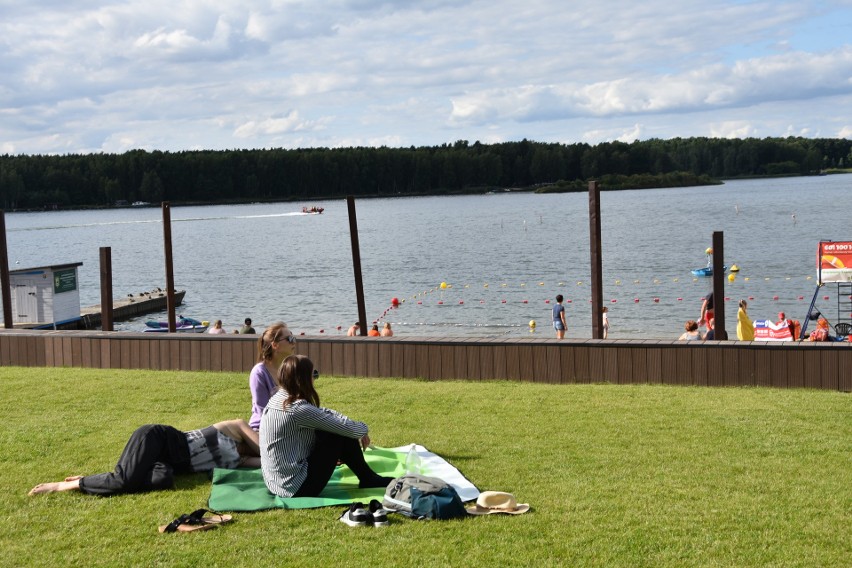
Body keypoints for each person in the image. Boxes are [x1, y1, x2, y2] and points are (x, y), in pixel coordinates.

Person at [259, 355, 393, 498]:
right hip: (295, 488)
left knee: (333, 429)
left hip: (276, 482)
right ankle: (368, 478)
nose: (315, 378)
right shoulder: (298, 409)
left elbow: (323, 413)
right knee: (337, 434)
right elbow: (349, 429)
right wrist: (363, 429)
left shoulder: (278, 398)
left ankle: (368, 477)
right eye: (314, 374)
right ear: (304, 378)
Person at [28, 419, 259, 497]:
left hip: (168, 464)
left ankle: (106, 477)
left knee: (164, 480)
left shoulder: (240, 461)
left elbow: (267, 462)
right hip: (158, 438)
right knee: (124, 481)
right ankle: (65, 485)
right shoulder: (236, 428)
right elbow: (267, 451)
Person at [248, 322, 296, 431]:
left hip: (288, 426)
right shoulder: (259, 372)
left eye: (294, 338)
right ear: (275, 345)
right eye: (289, 339)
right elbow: (263, 411)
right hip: (263, 430)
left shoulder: (288, 370)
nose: (294, 342)